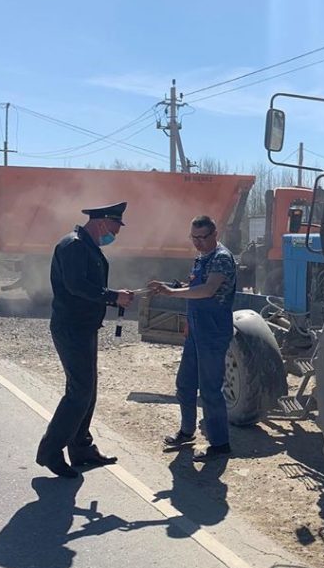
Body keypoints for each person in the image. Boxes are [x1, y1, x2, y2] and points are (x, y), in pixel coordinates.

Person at [36, 202, 135, 478]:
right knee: (79, 392)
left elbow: (90, 286)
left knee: (87, 391)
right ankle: (49, 451)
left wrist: (113, 296)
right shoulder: (74, 246)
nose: (115, 234)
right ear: (102, 222)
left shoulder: (87, 246)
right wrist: (113, 296)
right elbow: (76, 286)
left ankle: (81, 448)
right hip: (71, 328)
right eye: (115, 228)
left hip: (84, 328)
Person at [149, 215, 236, 462]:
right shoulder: (201, 258)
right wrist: (174, 291)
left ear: (214, 234)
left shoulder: (221, 258)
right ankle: (187, 432)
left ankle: (220, 444)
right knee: (185, 384)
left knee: (210, 389)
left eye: (202, 237)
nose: (197, 242)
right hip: (197, 329)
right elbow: (194, 290)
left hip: (213, 331)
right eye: (194, 237)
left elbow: (208, 290)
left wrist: (172, 292)